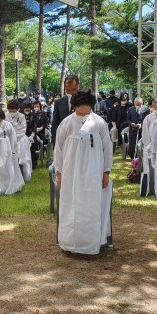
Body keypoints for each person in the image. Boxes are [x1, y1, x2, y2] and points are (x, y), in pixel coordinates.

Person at [54, 90, 113, 255]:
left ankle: (90, 242)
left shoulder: (99, 123)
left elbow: (107, 147)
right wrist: (59, 172)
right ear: (74, 107)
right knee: (70, 203)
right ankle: (70, 241)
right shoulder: (66, 123)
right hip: (71, 171)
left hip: (93, 171)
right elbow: (58, 149)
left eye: (86, 112)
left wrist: (106, 171)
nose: (83, 115)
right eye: (80, 112)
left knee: (91, 204)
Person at [0, 107, 24, 195]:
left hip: (6, 148)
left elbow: (13, 138)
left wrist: (14, 150)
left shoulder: (8, 125)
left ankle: (8, 184)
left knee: (7, 165)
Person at [7, 99, 32, 182]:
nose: (12, 112)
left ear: (17, 109)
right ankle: (11, 176)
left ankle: (25, 176)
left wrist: (14, 133)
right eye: (10, 111)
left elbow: (23, 129)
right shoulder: (6, 115)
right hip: (9, 139)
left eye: (14, 110)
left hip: (20, 139)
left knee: (23, 158)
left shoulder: (21, 116)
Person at [51, 75, 80, 145]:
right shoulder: (58, 103)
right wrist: (55, 144)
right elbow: (55, 125)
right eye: (68, 90)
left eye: (73, 90)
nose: (71, 93)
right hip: (64, 142)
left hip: (81, 142)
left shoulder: (86, 102)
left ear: (78, 86)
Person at [30, 101, 48, 168]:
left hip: (41, 133)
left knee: (42, 141)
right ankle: (34, 158)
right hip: (33, 133)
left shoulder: (43, 114)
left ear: (40, 106)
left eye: (37, 106)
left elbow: (45, 122)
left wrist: (41, 128)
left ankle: (41, 155)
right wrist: (34, 130)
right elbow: (31, 124)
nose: (36, 107)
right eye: (35, 106)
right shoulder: (32, 115)